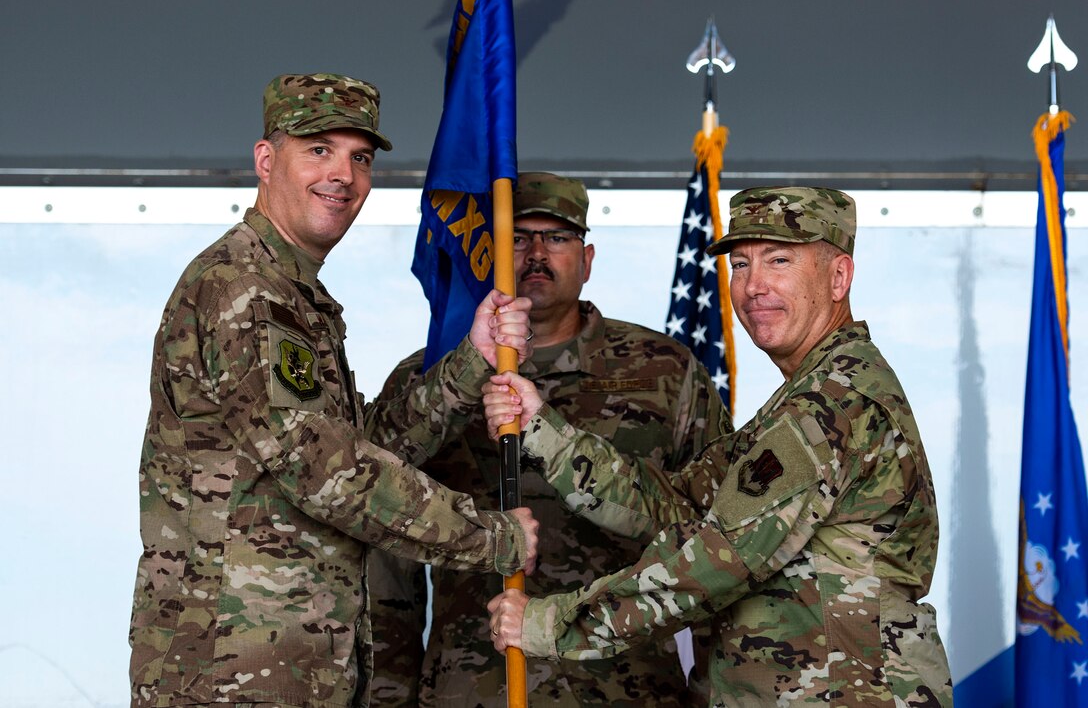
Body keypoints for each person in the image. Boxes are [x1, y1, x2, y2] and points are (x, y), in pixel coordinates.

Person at [127, 72, 541, 708]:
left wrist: (471, 361)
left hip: (294, 670)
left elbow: (356, 445)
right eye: (318, 149)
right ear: (266, 160)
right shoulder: (244, 289)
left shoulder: (293, 294)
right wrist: (491, 537)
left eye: (360, 158)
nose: (343, 175)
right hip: (231, 675)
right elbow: (323, 469)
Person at [484, 187, 953, 706]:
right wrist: (544, 431)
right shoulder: (805, 395)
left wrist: (552, 623)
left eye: (779, 261)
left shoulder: (832, 402)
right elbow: (676, 505)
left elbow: (714, 562)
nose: (754, 287)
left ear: (839, 277)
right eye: (741, 265)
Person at [367, 172, 731, 706]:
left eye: (556, 238)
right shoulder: (430, 377)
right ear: (489, 252)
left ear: (586, 259)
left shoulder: (667, 373)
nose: (537, 253)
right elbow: (378, 528)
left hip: (626, 688)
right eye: (518, 238)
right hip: (471, 686)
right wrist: (388, 695)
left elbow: (715, 535)